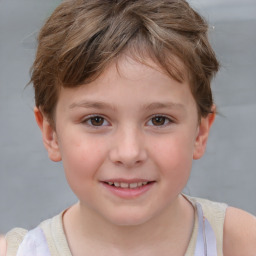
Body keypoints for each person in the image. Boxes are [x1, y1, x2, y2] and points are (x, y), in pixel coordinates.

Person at [2, 0, 256, 255]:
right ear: (51, 134)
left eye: (159, 120)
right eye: (96, 120)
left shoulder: (241, 242)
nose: (129, 153)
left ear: (200, 132)